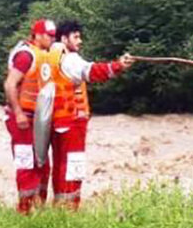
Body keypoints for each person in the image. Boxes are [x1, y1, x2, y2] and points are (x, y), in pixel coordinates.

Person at [48, 21, 133, 210]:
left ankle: (59, 206)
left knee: (61, 165)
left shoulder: (51, 57)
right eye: (76, 37)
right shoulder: (70, 59)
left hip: (58, 121)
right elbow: (93, 72)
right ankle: (70, 209)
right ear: (64, 39)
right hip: (73, 120)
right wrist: (118, 66)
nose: (80, 41)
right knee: (73, 166)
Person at [2, 18, 60, 214]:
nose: (52, 39)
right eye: (49, 36)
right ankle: (25, 209)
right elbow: (10, 84)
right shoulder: (26, 56)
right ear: (38, 35)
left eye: (54, 36)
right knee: (27, 163)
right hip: (22, 117)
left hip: (37, 118)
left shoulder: (44, 55)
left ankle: (39, 206)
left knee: (42, 162)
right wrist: (18, 113)